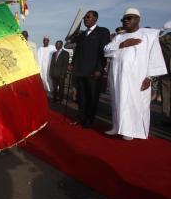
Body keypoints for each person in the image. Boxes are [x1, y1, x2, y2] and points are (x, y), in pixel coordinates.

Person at [104, 8, 167, 140]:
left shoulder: (149, 35)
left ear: (138, 19)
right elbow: (106, 51)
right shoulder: (119, 37)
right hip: (118, 77)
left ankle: (131, 131)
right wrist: (123, 44)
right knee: (118, 101)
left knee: (134, 103)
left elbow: (155, 58)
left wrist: (149, 77)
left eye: (129, 18)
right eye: (123, 19)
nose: (125, 21)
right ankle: (117, 127)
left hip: (137, 78)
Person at [69, 10, 110, 128]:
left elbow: (103, 52)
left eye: (88, 17)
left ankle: (89, 119)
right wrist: (72, 63)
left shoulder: (102, 32)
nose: (85, 19)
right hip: (81, 70)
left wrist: (99, 69)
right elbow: (77, 51)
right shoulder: (82, 35)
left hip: (93, 72)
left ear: (95, 19)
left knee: (92, 97)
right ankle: (80, 117)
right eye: (84, 18)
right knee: (81, 96)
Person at [159, 20, 171, 125]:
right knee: (166, 95)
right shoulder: (165, 38)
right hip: (166, 72)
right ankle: (165, 117)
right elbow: (154, 39)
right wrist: (163, 29)